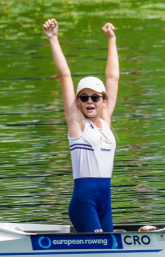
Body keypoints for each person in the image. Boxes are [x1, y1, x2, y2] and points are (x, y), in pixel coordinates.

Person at [44, 18, 120, 233]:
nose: (89, 101)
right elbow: (64, 76)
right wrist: (53, 38)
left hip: (105, 202)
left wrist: (111, 39)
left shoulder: (105, 122)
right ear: (77, 101)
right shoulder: (77, 124)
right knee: (101, 254)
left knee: (108, 256)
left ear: (104, 101)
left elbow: (112, 78)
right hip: (84, 203)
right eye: (84, 97)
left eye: (95, 97)